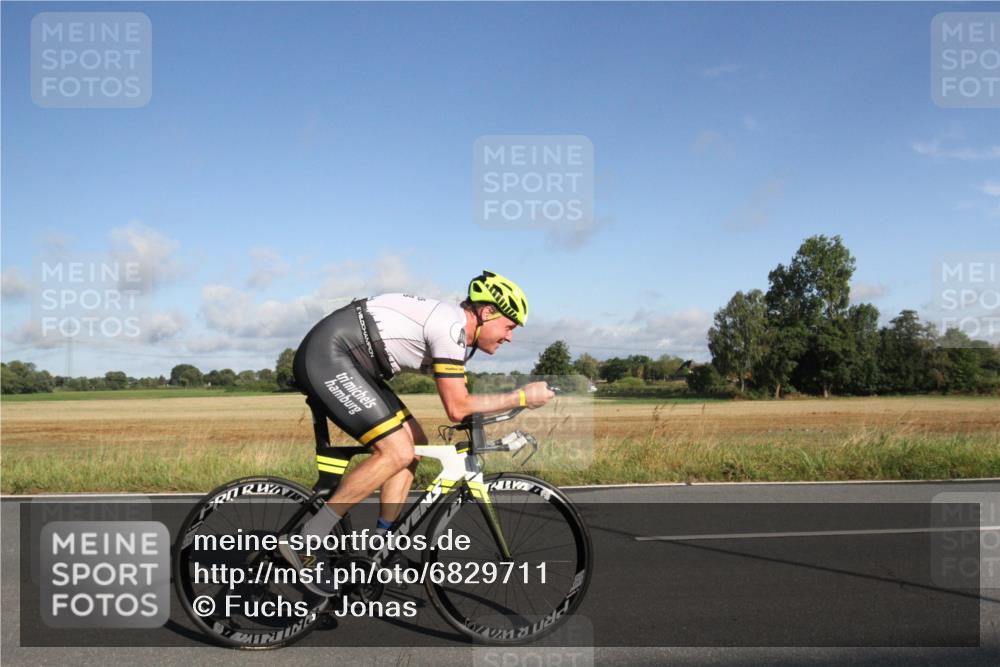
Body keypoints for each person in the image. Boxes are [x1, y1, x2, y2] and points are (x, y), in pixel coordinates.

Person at [280, 270, 554, 594]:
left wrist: (504, 429)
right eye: (509, 326)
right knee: (397, 451)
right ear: (486, 312)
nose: (510, 337)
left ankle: (380, 547)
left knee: (414, 444)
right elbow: (458, 407)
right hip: (329, 356)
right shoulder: (450, 327)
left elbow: (466, 409)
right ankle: (307, 539)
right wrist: (522, 397)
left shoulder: (458, 339)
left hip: (355, 365)